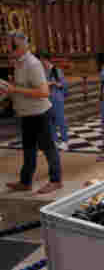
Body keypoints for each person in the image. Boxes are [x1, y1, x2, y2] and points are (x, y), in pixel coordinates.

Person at [0, 32, 63, 193]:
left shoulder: (33, 64)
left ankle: (56, 181)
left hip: (40, 114)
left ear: (19, 46)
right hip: (27, 114)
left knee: (49, 148)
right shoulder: (19, 63)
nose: (6, 48)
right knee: (28, 150)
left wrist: (14, 89)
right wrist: (9, 90)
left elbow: (44, 92)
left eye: (9, 45)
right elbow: (23, 87)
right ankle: (25, 181)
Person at [39, 52, 69, 151]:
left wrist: (54, 83)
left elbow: (63, 84)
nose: (41, 62)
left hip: (57, 97)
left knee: (60, 120)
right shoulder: (42, 71)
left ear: (45, 60)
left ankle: (65, 141)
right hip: (46, 98)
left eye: (41, 60)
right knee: (49, 121)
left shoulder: (56, 70)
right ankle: (55, 141)